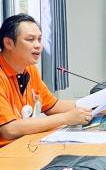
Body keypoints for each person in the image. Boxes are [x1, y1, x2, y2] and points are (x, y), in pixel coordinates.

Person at [0, 14, 92, 147]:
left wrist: (96, 104)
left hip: (25, 145)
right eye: (30, 40)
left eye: (39, 39)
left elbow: (52, 106)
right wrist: (66, 118)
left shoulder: (30, 69)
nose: (38, 45)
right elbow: (10, 130)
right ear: (8, 43)